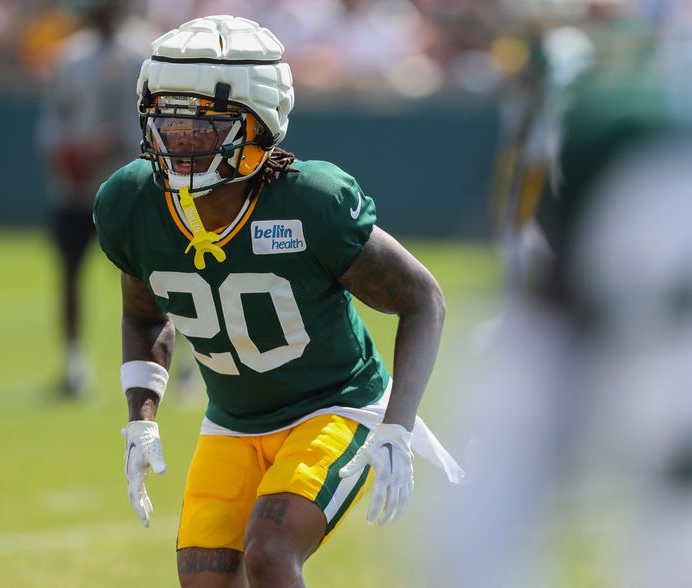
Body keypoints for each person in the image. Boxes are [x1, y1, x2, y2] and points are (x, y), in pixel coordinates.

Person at [92, 15, 463, 588]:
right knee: (205, 580)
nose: (179, 143)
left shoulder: (309, 201)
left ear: (258, 123)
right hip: (232, 421)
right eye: (168, 125)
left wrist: (396, 426)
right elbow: (145, 314)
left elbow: (422, 299)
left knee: (268, 552)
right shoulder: (132, 201)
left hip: (334, 406)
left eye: (201, 128)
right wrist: (141, 420)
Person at [36, 0, 149, 396]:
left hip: (135, 183)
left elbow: (162, 117)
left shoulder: (147, 51)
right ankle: (74, 364)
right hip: (80, 188)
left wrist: (123, 142)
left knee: (160, 276)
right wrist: (64, 152)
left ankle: (181, 363)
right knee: (69, 273)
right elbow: (54, 116)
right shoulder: (72, 54)